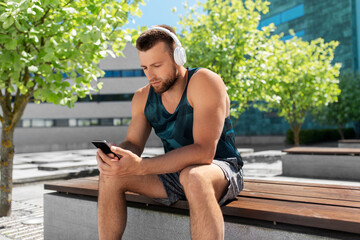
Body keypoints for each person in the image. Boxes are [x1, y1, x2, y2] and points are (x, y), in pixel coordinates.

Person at [96, 24, 243, 240]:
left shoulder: (203, 81)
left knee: (194, 176)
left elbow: (204, 153)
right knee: (111, 175)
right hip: (174, 173)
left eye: (157, 65)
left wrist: (142, 166)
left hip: (220, 169)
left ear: (178, 57)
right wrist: (116, 155)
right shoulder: (142, 97)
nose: (151, 75)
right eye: (145, 68)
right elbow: (133, 143)